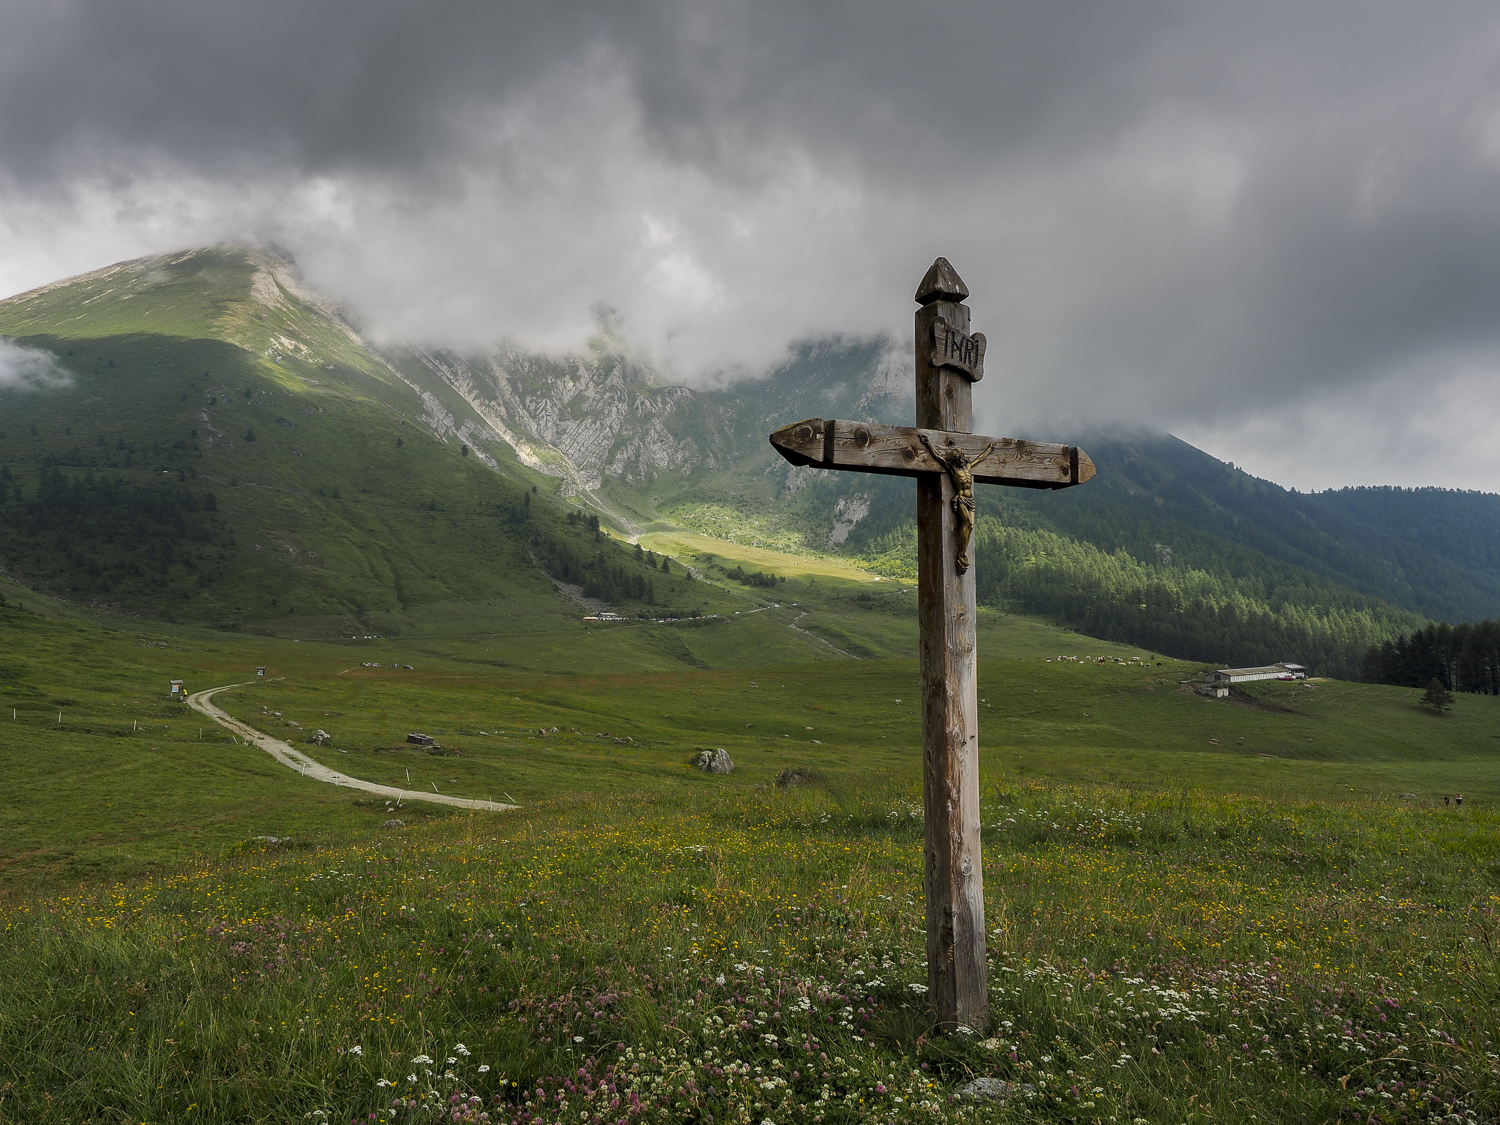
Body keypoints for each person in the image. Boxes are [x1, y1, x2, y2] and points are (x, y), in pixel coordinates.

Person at [918, 433, 996, 574]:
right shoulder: (953, 469)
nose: (960, 459)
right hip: (960, 499)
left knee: (970, 526)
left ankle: (963, 551)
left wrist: (989, 449)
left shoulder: (968, 467)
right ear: (955, 460)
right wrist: (928, 443)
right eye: (958, 458)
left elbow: (980, 458)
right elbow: (938, 457)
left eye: (961, 457)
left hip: (971, 500)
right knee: (968, 522)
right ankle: (962, 553)